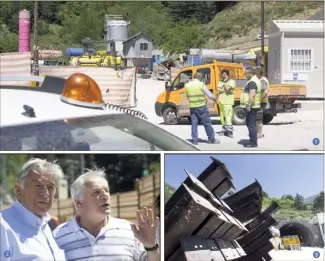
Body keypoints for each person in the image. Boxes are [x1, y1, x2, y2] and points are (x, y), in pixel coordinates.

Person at [53, 169, 160, 261]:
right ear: (78, 202)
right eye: (96, 192)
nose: (105, 195)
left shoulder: (129, 230)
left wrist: (151, 246)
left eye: (106, 190)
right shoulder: (57, 237)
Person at [0, 158, 66, 261]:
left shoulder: (47, 226)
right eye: (38, 186)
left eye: (50, 187)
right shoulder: (3, 225)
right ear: (18, 190)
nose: (45, 193)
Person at [185, 71, 220, 145]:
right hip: (201, 107)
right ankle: (211, 139)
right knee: (207, 123)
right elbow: (209, 95)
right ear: (200, 77)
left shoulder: (187, 85)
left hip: (192, 107)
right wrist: (216, 100)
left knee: (194, 123)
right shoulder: (201, 84)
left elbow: (187, 96)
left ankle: (194, 140)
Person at [240, 67, 262, 148]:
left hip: (252, 106)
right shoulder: (255, 80)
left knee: (251, 125)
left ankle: (253, 143)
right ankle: (252, 140)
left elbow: (252, 94)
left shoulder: (252, 82)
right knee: (250, 124)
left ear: (250, 73)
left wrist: (249, 105)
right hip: (254, 106)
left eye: (245, 73)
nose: (244, 75)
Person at [217, 69, 236, 138]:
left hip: (228, 101)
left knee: (228, 116)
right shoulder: (220, 81)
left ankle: (230, 132)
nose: (223, 75)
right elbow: (218, 89)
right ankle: (224, 130)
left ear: (228, 75)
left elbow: (228, 89)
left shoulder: (231, 81)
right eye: (222, 74)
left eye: (224, 74)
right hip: (221, 101)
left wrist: (225, 85)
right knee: (222, 117)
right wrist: (224, 89)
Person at [257, 69, 270, 138]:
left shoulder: (262, 81)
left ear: (259, 74)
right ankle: (259, 133)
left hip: (261, 102)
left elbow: (265, 92)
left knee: (259, 119)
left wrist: (259, 99)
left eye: (256, 74)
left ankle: (259, 133)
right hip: (262, 102)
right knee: (259, 118)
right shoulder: (264, 80)